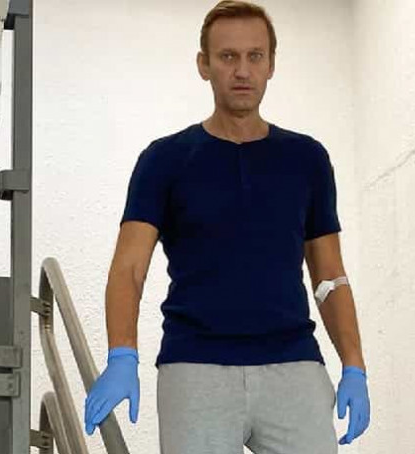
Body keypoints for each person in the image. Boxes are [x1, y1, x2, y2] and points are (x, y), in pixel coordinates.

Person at [82, 2, 370, 452]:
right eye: (228, 56)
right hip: (195, 369)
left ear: (271, 64)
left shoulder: (307, 159)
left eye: (255, 56)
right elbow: (129, 268)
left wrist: (354, 364)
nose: (242, 71)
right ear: (204, 65)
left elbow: (330, 276)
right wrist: (123, 354)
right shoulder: (164, 160)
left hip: (293, 365)